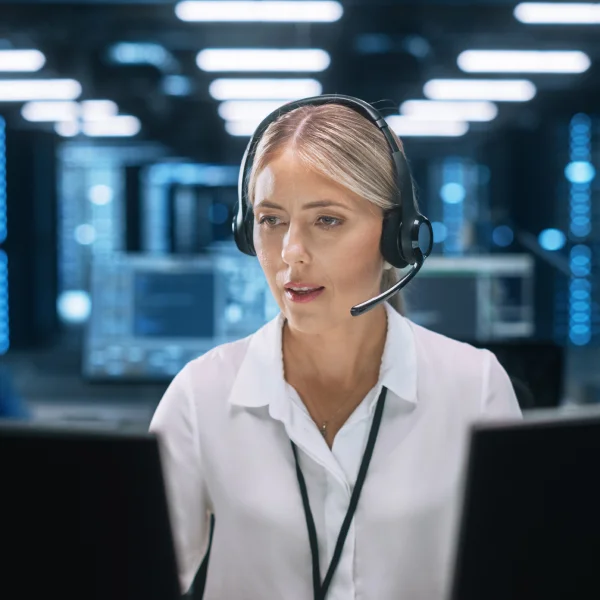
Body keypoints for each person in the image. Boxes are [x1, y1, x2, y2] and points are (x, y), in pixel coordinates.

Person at [150, 97, 522, 600]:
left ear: (397, 238)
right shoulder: (202, 395)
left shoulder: (474, 388)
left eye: (327, 220)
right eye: (270, 220)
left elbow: (515, 575)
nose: (290, 253)